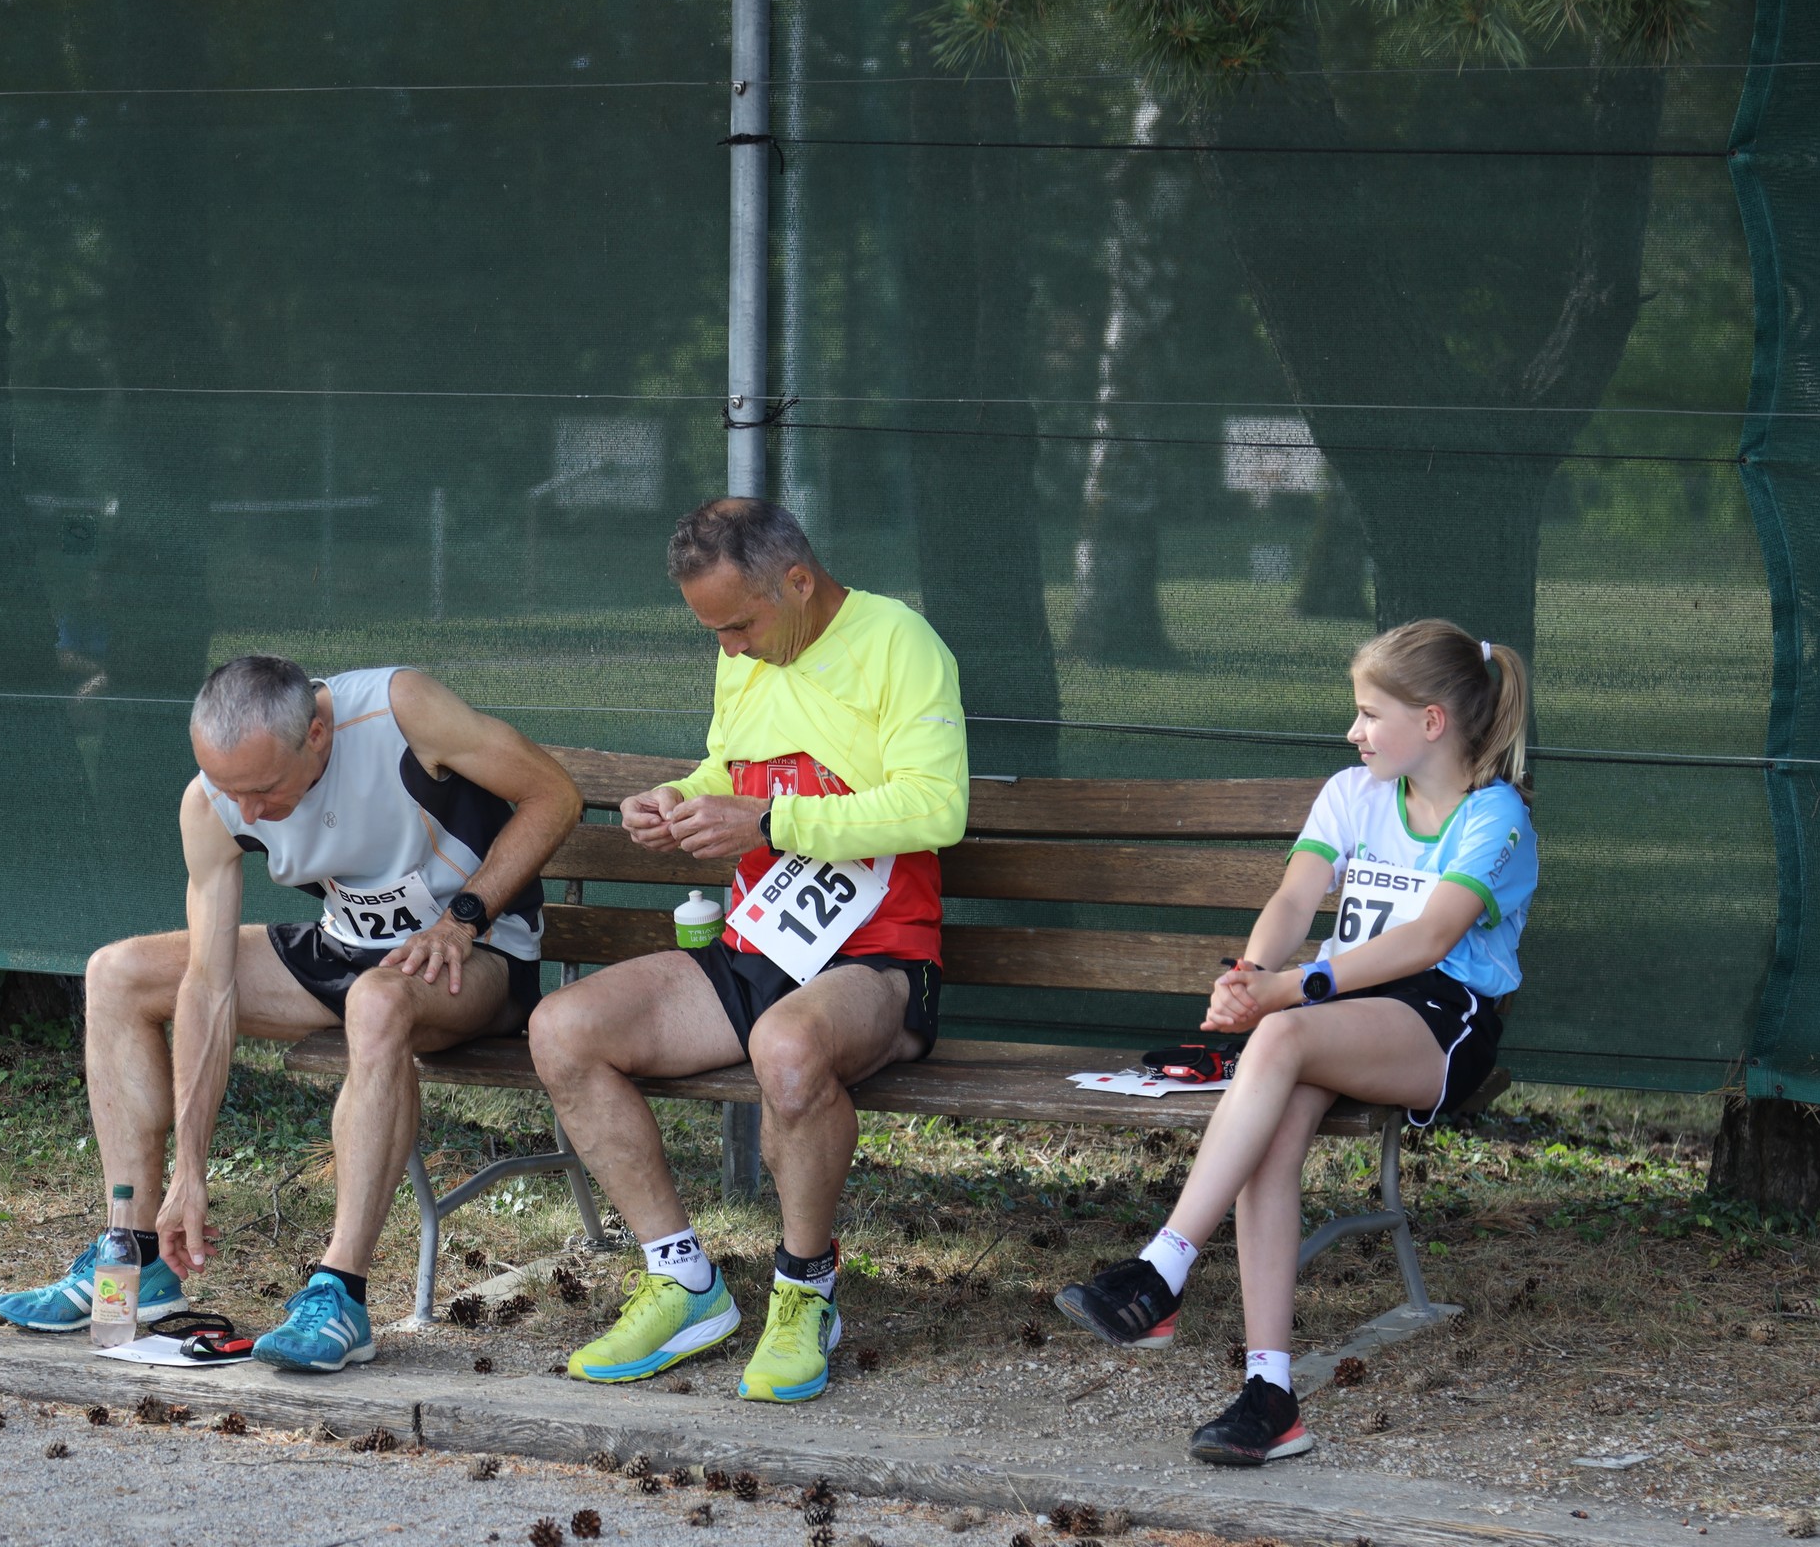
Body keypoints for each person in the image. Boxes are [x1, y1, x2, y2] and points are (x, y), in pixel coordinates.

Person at [0, 657, 581, 1371]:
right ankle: (135, 1251)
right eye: (229, 789)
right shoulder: (212, 804)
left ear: (318, 735)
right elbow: (209, 988)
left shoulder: (398, 710)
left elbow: (554, 795)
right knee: (116, 974)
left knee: (377, 999)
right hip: (346, 950)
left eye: (264, 789)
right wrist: (191, 1171)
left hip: (475, 956)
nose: (246, 813)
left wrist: (463, 918)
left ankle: (341, 1294)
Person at [1055, 619, 1537, 1465]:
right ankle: (1270, 1395)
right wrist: (1251, 973)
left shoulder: (1496, 817)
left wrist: (1293, 989)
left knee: (1279, 1038)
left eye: (1370, 713)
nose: (1353, 731)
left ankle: (1163, 1269)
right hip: (1340, 1008)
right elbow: (1292, 898)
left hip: (1441, 1017)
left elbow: (1429, 942)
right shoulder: (1353, 791)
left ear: (1431, 721)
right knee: (1271, 1138)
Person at [528, 497, 967, 1404]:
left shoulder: (900, 641)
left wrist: (768, 821)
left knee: (788, 1047)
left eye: (740, 625)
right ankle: (684, 1282)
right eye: (715, 633)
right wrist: (678, 800)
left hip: (877, 957)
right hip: (758, 947)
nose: (730, 647)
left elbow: (937, 807)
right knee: (562, 1029)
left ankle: (806, 1293)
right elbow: (726, 771)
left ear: (798, 582)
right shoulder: (745, 651)